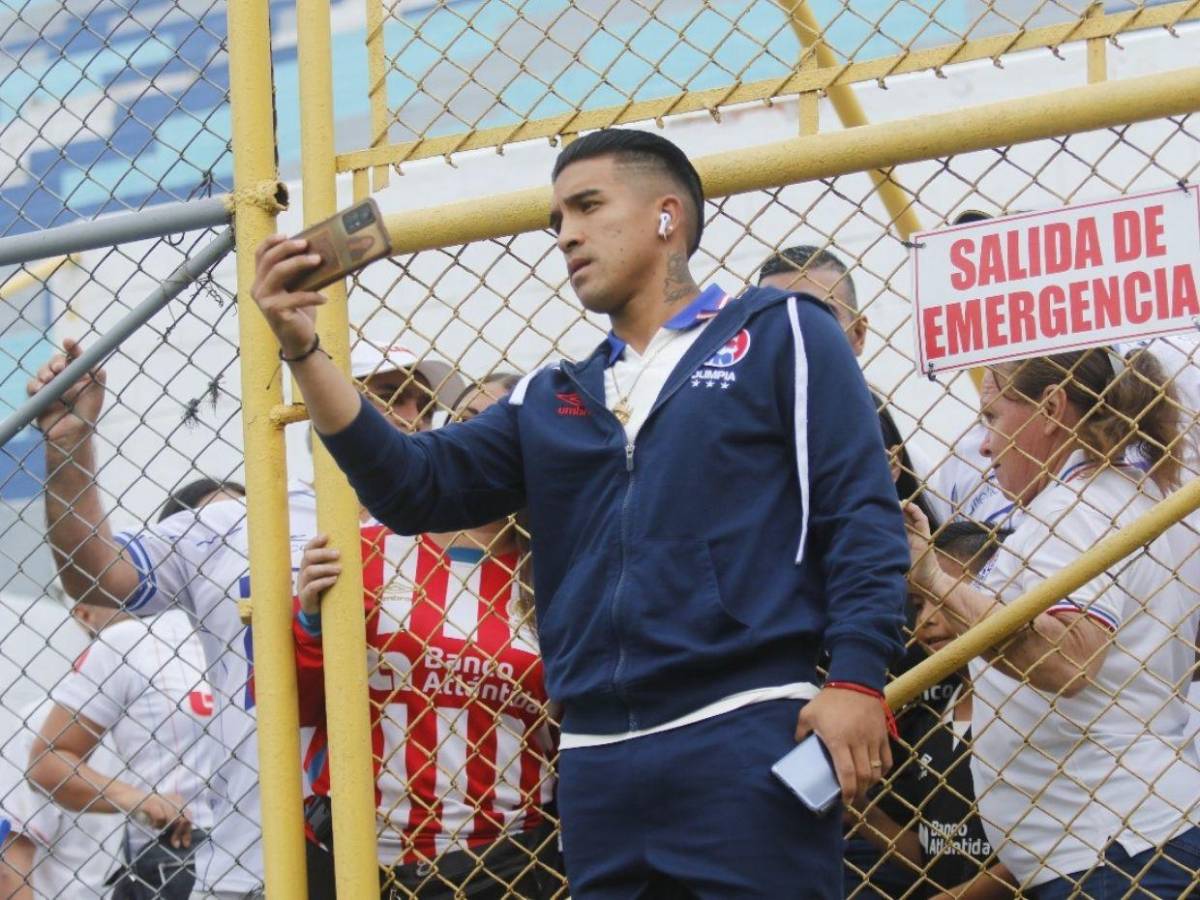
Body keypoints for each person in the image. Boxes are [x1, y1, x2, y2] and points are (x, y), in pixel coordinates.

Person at [251, 127, 909, 897]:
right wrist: (303, 350)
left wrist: (857, 677)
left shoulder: (780, 331)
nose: (565, 234)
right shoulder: (550, 396)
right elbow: (410, 488)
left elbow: (859, 511)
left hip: (741, 726)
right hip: (596, 760)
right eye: (557, 218)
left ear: (667, 216)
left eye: (588, 207)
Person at [27, 335, 462, 899]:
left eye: (419, 399)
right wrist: (69, 447)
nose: (410, 411)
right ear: (321, 398)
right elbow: (94, 576)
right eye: (386, 392)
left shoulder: (460, 531)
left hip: (431, 863)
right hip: (255, 856)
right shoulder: (239, 521)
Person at [905, 347, 1200, 897]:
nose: (984, 444)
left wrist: (936, 582)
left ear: (1050, 408)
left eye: (993, 416)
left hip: (1113, 851)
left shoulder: (1077, 509)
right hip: (1119, 842)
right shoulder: (1126, 495)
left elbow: (1068, 659)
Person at [295, 372, 563, 898]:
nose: (483, 443)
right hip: (350, 854)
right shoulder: (364, 550)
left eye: (504, 430)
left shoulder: (558, 573)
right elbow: (295, 706)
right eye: (468, 422)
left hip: (500, 864)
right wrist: (308, 622)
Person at [857, 522, 1014, 900]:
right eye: (918, 604)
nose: (926, 619)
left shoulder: (1024, 709)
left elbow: (1035, 857)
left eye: (944, 597)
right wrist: (863, 815)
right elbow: (936, 859)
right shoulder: (933, 716)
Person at [28, 598, 215, 899]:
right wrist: (136, 799)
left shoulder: (260, 631)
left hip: (269, 842)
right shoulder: (131, 641)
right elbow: (46, 763)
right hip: (180, 853)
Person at [758, 245, 938, 526]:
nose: (796, 333)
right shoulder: (734, 447)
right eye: (774, 318)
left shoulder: (910, 461)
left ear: (858, 333)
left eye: (819, 316)